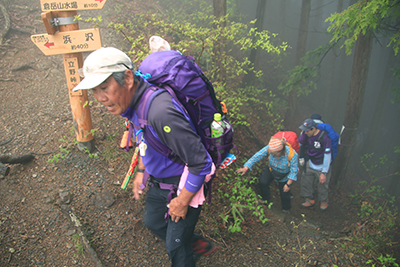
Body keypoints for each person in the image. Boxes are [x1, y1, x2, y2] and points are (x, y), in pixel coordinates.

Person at [73, 47, 216, 266]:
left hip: (183, 185)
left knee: (175, 249)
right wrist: (142, 170)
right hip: (159, 182)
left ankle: (184, 247)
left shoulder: (160, 112)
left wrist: (182, 201)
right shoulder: (133, 104)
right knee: (153, 222)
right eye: (95, 90)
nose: (100, 98)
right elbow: (145, 139)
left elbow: (201, 163)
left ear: (128, 78)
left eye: (104, 87)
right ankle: (192, 243)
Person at [236, 137, 298, 213]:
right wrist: (246, 167)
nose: (272, 154)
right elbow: (258, 156)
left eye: (274, 153)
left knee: (284, 193)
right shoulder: (270, 148)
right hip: (271, 170)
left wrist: (288, 184)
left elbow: (294, 170)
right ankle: (266, 199)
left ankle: (286, 209)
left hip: (284, 175)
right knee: (263, 182)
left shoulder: (292, 154)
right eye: (271, 153)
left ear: (281, 151)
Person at [298, 118, 332, 211]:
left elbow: (327, 155)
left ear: (313, 129)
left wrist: (324, 172)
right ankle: (309, 199)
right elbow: (300, 144)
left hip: (322, 164)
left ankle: (323, 200)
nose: (305, 132)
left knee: (322, 185)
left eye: (307, 130)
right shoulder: (306, 135)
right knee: (306, 180)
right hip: (311, 161)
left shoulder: (324, 137)